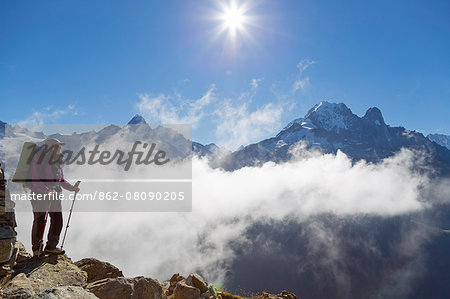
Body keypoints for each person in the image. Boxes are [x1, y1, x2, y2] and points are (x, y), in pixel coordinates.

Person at [30, 138, 80, 256]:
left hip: (54, 194)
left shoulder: (57, 161)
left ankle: (51, 246)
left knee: (57, 220)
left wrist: (72, 188)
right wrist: (47, 190)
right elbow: (35, 179)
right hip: (40, 194)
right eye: (58, 146)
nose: (60, 148)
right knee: (40, 220)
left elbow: (60, 180)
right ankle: (37, 249)